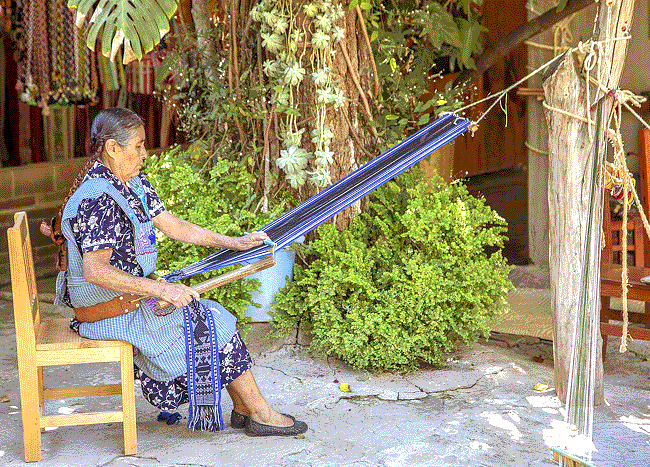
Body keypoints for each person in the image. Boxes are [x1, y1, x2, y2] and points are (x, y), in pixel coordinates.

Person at [51, 107, 307, 437]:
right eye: (139, 146)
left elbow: (171, 225)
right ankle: (259, 412)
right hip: (110, 311)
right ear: (113, 148)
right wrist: (162, 290)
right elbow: (95, 271)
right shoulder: (98, 198)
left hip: (131, 299)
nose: (145, 154)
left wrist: (235, 242)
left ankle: (245, 408)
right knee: (211, 320)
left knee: (210, 315)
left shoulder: (130, 182)